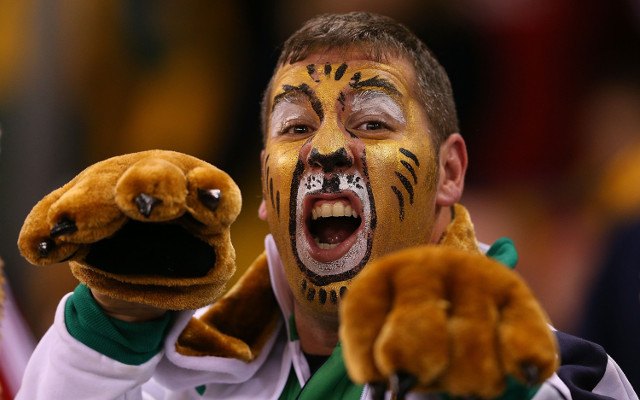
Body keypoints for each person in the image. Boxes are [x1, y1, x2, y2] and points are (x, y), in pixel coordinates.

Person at [17, 12, 637, 400]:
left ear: (450, 172)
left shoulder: (546, 375)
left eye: (369, 122)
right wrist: (107, 332)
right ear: (264, 181)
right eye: (295, 127)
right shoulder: (177, 377)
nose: (328, 150)